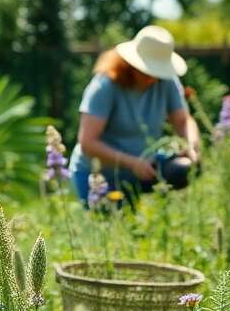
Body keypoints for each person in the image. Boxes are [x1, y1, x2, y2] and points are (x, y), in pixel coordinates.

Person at [70, 25, 201, 204]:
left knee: (184, 169)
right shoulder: (105, 86)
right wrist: (132, 163)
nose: (153, 78)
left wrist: (191, 145)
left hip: (145, 168)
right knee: (106, 225)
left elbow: (183, 120)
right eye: (148, 71)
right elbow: (87, 143)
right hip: (99, 177)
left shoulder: (167, 81)